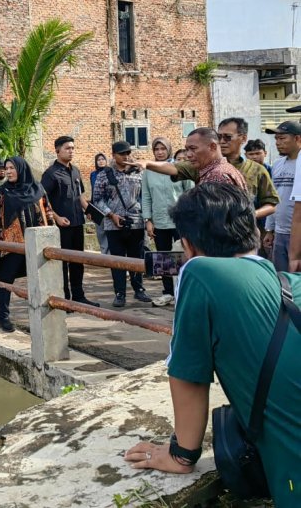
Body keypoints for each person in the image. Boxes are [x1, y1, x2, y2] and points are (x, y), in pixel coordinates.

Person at [124, 184, 301, 507]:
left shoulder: (199, 272)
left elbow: (188, 372)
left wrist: (181, 455)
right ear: (256, 232)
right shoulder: (293, 285)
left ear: (188, 245)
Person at [0, 157, 52, 332]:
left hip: (36, 243)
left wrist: (53, 232)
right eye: (6, 168)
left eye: (12, 168)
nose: (8, 171)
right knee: (5, 280)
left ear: (22, 169)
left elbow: (48, 211)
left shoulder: (38, 189)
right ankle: (3, 318)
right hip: (12, 244)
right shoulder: (4, 190)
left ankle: (44, 316)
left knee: (42, 279)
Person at [40, 136, 99, 306]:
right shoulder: (51, 174)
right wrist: (57, 218)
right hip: (62, 226)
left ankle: (79, 296)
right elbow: (43, 199)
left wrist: (89, 211)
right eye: (67, 148)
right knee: (63, 262)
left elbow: (80, 197)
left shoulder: (76, 171)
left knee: (77, 261)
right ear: (57, 150)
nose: (71, 151)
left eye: (73, 148)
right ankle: (64, 298)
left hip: (77, 222)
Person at [92, 141, 152, 307]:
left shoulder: (138, 172)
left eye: (128, 153)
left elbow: (144, 196)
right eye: (122, 154)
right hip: (113, 224)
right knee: (117, 260)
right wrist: (111, 215)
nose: (126, 156)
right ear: (113, 155)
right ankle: (120, 293)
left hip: (136, 223)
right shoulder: (105, 174)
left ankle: (139, 289)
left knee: (137, 257)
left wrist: (146, 218)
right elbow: (97, 198)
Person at [142, 137, 193, 306]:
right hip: (159, 221)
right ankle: (168, 293)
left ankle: (184, 291)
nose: (160, 152)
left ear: (169, 150)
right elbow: (146, 196)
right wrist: (148, 220)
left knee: (184, 256)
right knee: (163, 258)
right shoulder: (148, 171)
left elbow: (190, 193)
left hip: (180, 221)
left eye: (163, 149)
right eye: (156, 149)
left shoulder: (177, 168)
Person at [140, 128, 247, 189]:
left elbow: (219, 222)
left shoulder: (218, 176)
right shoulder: (210, 169)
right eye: (187, 149)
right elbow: (173, 168)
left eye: (193, 149)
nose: (188, 154)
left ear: (213, 147)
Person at [216, 118, 278, 221]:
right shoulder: (206, 165)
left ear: (243, 138)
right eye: (219, 137)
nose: (222, 141)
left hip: (245, 231)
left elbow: (271, 204)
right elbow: (180, 169)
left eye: (228, 137)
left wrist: (251, 215)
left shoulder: (257, 170)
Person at [263, 122, 301, 272]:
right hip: (280, 233)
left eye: (282, 138)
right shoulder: (278, 165)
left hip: (297, 233)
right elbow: (274, 198)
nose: (278, 143)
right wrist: (270, 229)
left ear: (297, 138)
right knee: (282, 279)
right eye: (276, 139)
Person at [90, 153, 109, 255]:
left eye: (103, 159)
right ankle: (104, 254)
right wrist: (91, 209)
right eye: (99, 160)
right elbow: (93, 191)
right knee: (100, 232)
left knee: (110, 231)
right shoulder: (93, 174)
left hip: (109, 206)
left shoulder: (110, 172)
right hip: (97, 206)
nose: (101, 161)